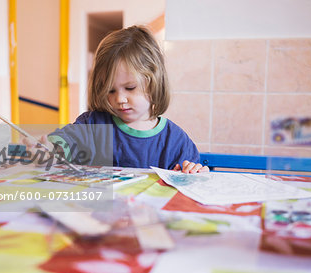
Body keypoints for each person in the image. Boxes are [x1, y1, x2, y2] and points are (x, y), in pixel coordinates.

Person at [26, 25, 208, 174]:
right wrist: (49, 150)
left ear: (154, 82)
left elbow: (191, 180)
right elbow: (66, 143)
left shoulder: (175, 141)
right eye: (110, 90)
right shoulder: (93, 125)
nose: (119, 99)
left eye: (130, 88)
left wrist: (194, 173)